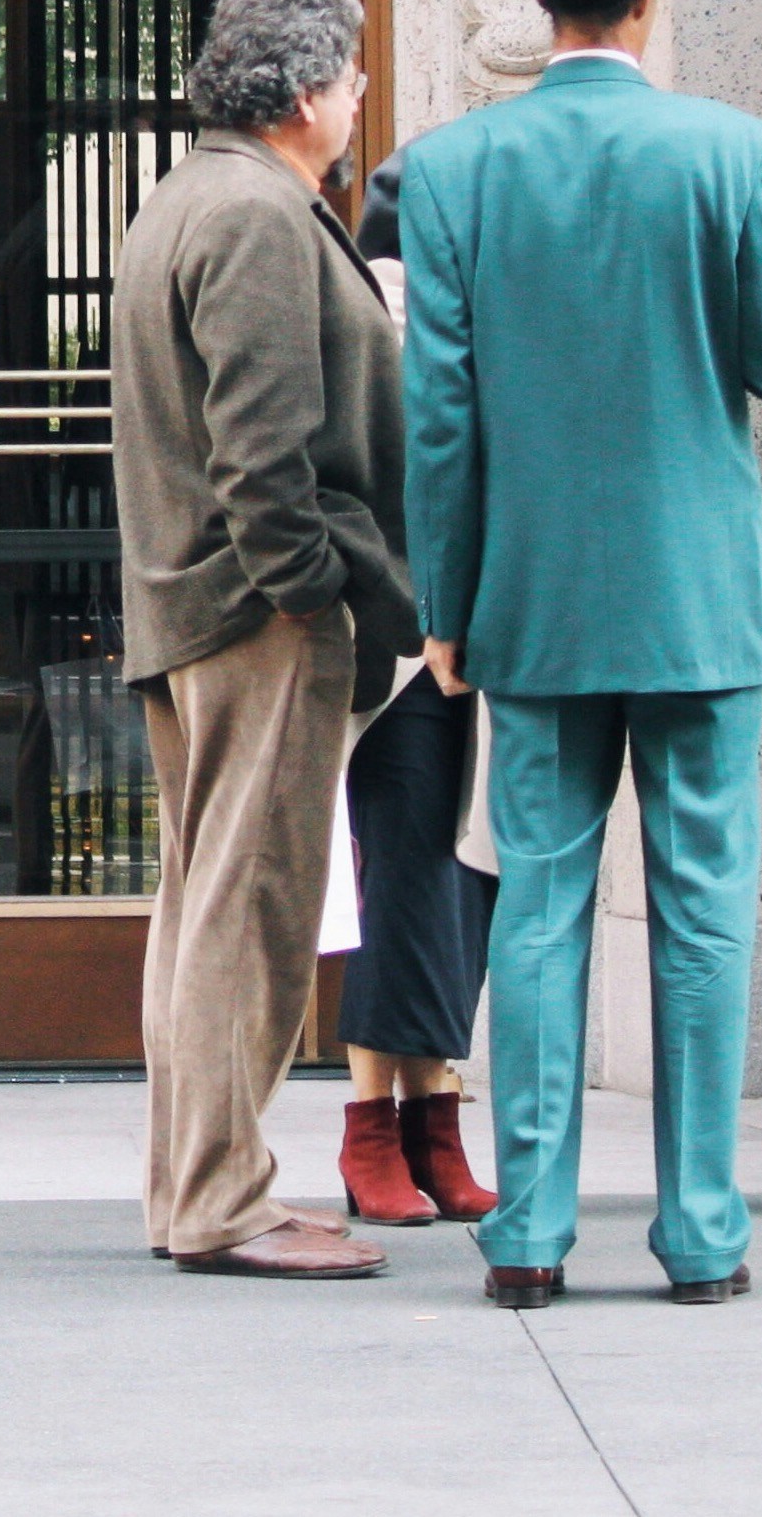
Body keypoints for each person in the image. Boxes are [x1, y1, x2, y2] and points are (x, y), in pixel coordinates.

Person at [400, 0, 762, 1309]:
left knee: (534, 902)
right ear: (648, 0)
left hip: (531, 594)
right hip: (696, 593)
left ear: (538, 6)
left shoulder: (452, 168)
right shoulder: (732, 151)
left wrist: (444, 607)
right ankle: (701, 1231)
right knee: (703, 908)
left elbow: (439, 417)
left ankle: (526, 1228)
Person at [113, 0, 419, 1279]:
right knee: (247, 907)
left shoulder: (199, 196)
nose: (357, 101)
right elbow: (264, 453)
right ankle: (224, 1202)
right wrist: (313, 594)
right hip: (255, 618)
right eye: (349, 80)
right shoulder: (250, 213)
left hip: (204, 607)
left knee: (205, 904)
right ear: (304, 94)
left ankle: (194, 1192)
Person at [328, 144, 499, 1230]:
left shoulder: (460, 322)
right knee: (409, 874)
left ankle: (433, 1120)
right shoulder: (373, 322)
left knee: (449, 876)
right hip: (399, 646)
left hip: (470, 637)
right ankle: (371, 1126)